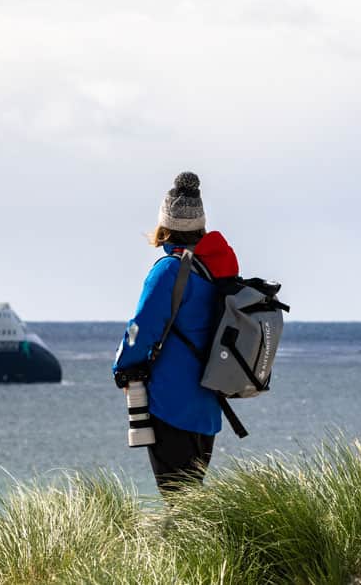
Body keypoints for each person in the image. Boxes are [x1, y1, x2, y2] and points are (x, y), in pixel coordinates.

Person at [113, 171, 239, 495]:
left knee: (178, 504)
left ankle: (190, 547)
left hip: (171, 404)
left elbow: (141, 327)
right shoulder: (217, 270)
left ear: (165, 226)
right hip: (207, 407)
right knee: (190, 499)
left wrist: (122, 367)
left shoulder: (169, 269)